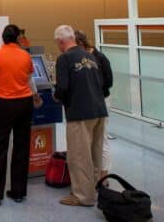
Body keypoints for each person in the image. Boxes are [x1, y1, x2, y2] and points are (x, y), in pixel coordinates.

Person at [0, 24, 43, 207]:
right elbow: (30, 80)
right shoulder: (25, 55)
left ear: (3, 38)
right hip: (25, 104)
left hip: (5, 105)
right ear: (17, 38)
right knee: (21, 147)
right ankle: (18, 192)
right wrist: (36, 97)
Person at [53, 24, 108, 207]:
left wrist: (56, 96)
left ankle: (83, 196)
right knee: (95, 153)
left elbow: (62, 87)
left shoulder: (64, 59)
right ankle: (94, 189)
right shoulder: (90, 56)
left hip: (79, 113)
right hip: (99, 111)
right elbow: (102, 82)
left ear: (61, 42)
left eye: (58, 43)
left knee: (78, 155)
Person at [75, 29, 113, 180]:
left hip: (101, 100)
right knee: (90, 140)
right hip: (90, 101)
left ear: (80, 43)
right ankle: (93, 173)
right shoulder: (85, 57)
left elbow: (109, 82)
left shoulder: (99, 57)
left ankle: (103, 175)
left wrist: (93, 89)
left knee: (101, 139)